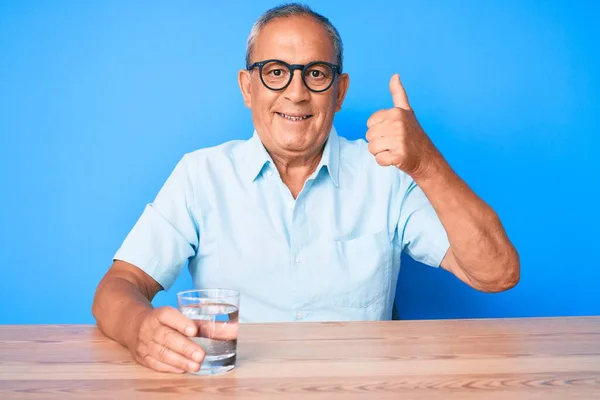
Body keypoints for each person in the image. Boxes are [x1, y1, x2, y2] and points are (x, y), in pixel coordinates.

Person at [92, 3, 520, 374]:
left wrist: (427, 164)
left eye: (316, 73)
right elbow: (119, 284)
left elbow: (497, 274)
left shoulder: (387, 175)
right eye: (275, 72)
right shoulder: (200, 175)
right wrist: (138, 329)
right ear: (247, 87)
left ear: (339, 91)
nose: (296, 93)